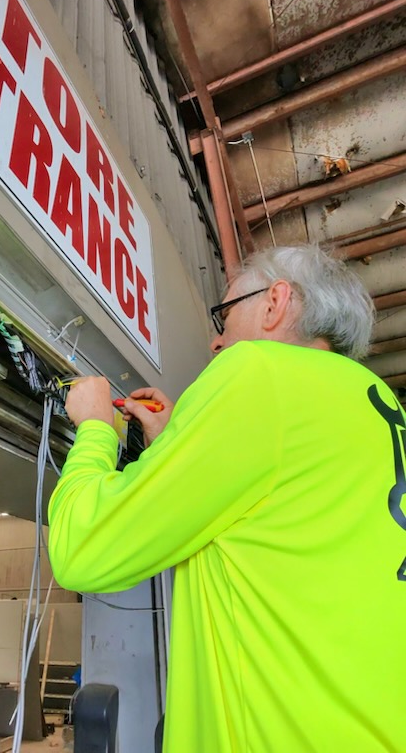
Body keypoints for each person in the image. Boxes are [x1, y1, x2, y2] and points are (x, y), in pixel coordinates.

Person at [47, 245, 406, 752]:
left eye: (225, 313)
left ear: (275, 302)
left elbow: (81, 548)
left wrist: (95, 431)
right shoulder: (378, 406)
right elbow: (272, 529)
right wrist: (177, 440)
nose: (217, 341)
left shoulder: (259, 372)